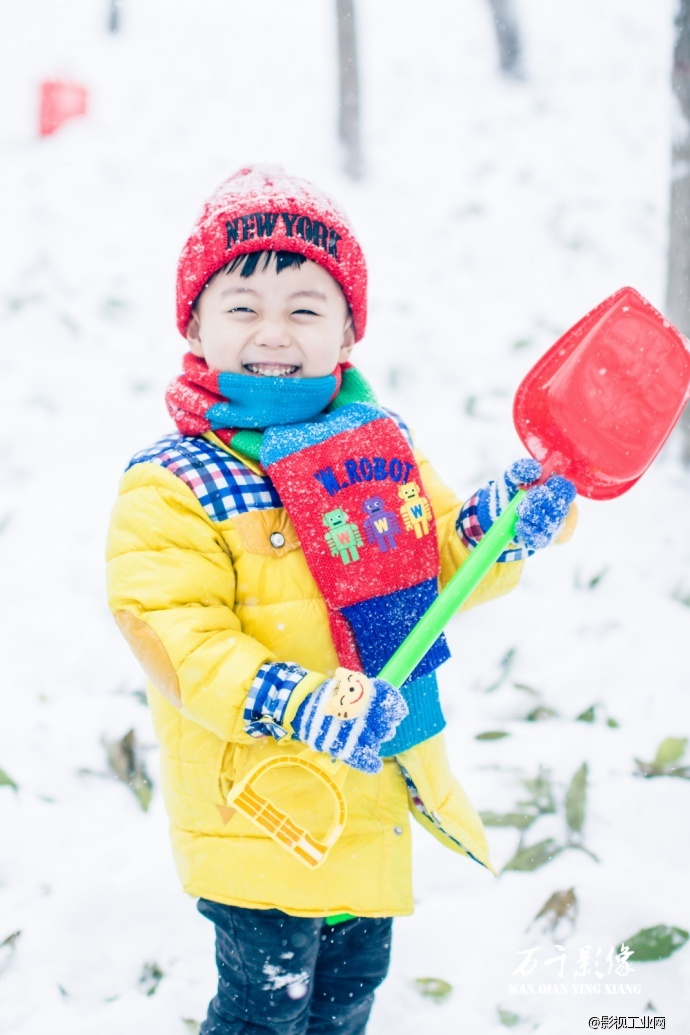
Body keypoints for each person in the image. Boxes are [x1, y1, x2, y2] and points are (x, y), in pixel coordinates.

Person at [106, 165, 576, 1034]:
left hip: (372, 793)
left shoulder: (378, 443)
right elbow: (179, 638)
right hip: (261, 806)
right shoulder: (175, 482)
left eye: (306, 308)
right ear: (197, 326)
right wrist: (298, 701)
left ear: (348, 332)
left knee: (345, 1002)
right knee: (262, 1013)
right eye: (242, 307)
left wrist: (500, 524)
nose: (273, 331)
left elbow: (431, 559)